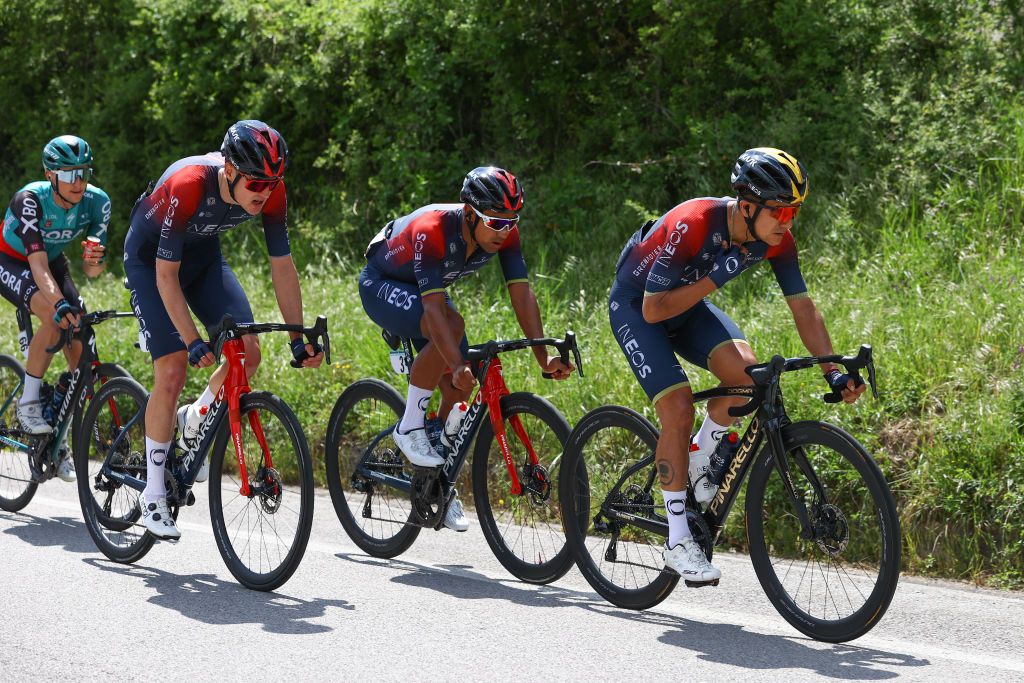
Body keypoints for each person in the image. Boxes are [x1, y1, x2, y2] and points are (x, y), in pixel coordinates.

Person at [608, 147, 865, 582]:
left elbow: (804, 310)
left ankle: (698, 459)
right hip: (639, 308)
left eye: (794, 212)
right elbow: (653, 311)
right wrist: (714, 277)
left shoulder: (776, 241)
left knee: (747, 376)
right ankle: (677, 540)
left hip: (686, 307)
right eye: (780, 212)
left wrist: (833, 371)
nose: (787, 223)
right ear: (747, 206)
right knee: (678, 406)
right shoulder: (694, 222)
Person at [124, 120, 323, 539]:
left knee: (247, 353)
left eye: (272, 183)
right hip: (150, 263)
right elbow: (165, 276)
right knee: (174, 367)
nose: (264, 192)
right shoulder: (189, 183)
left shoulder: (271, 191)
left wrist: (296, 336)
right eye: (255, 182)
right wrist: (193, 339)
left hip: (202, 259)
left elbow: (282, 267)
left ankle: (196, 417)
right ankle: (154, 493)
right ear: (229, 170)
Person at [359, 166, 574, 531]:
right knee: (454, 332)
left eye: (511, 221)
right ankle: (409, 427)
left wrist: (543, 356)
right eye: (495, 222)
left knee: (461, 385)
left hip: (426, 291)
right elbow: (432, 309)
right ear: (470, 213)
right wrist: (455, 361)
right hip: (382, 284)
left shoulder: (504, 232)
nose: (503, 231)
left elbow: (521, 293)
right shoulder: (434, 229)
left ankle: (438, 482)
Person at [0, 135, 111, 481]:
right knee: (54, 316)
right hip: (14, 260)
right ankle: (28, 404)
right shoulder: (30, 199)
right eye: (68, 175)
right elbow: (36, 265)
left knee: (81, 340)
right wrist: (59, 304)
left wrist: (96, 261)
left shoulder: (98, 202)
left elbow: (94, 271)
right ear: (51, 175)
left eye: (83, 172)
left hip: (53, 260)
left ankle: (57, 435)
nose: (78, 182)